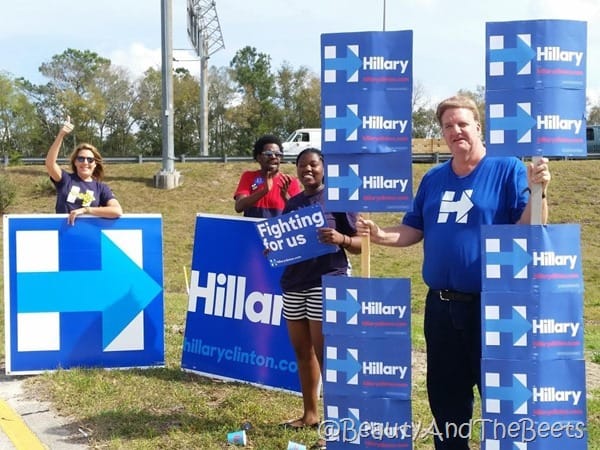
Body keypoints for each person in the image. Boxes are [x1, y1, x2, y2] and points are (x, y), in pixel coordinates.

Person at [357, 95, 551, 450]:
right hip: (440, 307)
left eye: (462, 124)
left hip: (493, 307)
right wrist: (381, 236)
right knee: (446, 398)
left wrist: (540, 192)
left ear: (478, 126)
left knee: (500, 397)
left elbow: (529, 226)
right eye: (448, 126)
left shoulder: (506, 167)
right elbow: (414, 228)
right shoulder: (433, 178)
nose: (455, 131)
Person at [278, 148, 361, 442]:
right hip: (293, 284)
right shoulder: (293, 204)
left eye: (313, 164)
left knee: (328, 356)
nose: (307, 170)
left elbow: (361, 245)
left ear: (324, 168)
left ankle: (335, 424)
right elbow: (285, 244)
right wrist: (274, 248)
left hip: (326, 282)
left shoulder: (339, 199)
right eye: (302, 166)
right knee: (303, 352)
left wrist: (342, 239)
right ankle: (310, 414)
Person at [45, 117, 123, 225]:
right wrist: (61, 135)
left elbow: (116, 211)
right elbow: (50, 164)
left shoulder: (101, 188)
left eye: (90, 160)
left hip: (87, 236)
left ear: (95, 164)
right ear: (75, 162)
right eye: (81, 159)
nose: (85, 162)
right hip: (63, 235)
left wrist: (86, 210)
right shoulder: (65, 180)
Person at [234, 134, 302, 218]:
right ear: (258, 157)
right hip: (252, 230)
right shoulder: (248, 176)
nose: (273, 157)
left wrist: (286, 196)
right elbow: (239, 207)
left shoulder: (289, 181)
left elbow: (300, 214)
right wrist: (264, 191)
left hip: (277, 229)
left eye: (277, 154)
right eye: (268, 154)